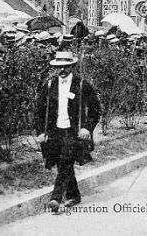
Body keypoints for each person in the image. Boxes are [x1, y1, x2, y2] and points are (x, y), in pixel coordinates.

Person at [35, 51, 101, 213]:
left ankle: (55, 198)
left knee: (65, 160)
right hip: (54, 131)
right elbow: (39, 111)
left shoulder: (81, 85)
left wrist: (87, 127)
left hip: (73, 132)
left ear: (72, 66)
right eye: (59, 66)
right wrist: (41, 132)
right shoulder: (49, 85)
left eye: (66, 66)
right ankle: (74, 194)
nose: (62, 69)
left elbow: (95, 109)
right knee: (61, 162)